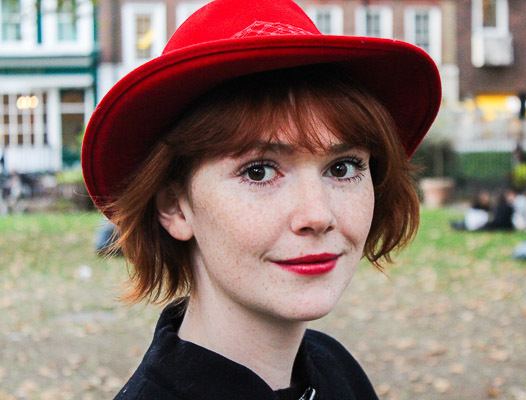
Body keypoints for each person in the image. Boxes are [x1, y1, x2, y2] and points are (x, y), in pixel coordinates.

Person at [81, 0, 441, 398]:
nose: (317, 215)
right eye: (259, 172)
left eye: (342, 168)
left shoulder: (336, 370)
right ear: (175, 207)